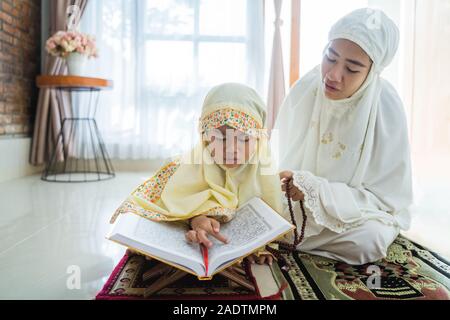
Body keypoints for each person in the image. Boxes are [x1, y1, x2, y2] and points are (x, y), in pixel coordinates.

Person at [273, 8, 413, 265]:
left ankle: (286, 235)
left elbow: (386, 199)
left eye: (352, 68)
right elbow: (281, 165)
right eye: (331, 57)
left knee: (369, 240)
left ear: (372, 72)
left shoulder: (386, 106)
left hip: (355, 216)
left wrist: (317, 191)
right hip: (298, 207)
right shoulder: (306, 88)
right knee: (263, 210)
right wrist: (293, 183)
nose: (333, 75)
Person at [112, 83, 285, 265]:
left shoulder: (265, 174)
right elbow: (168, 203)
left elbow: (271, 217)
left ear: (259, 138)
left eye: (244, 138)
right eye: (221, 137)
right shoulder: (186, 168)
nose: (232, 148)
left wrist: (264, 245)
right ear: (204, 136)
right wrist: (197, 218)